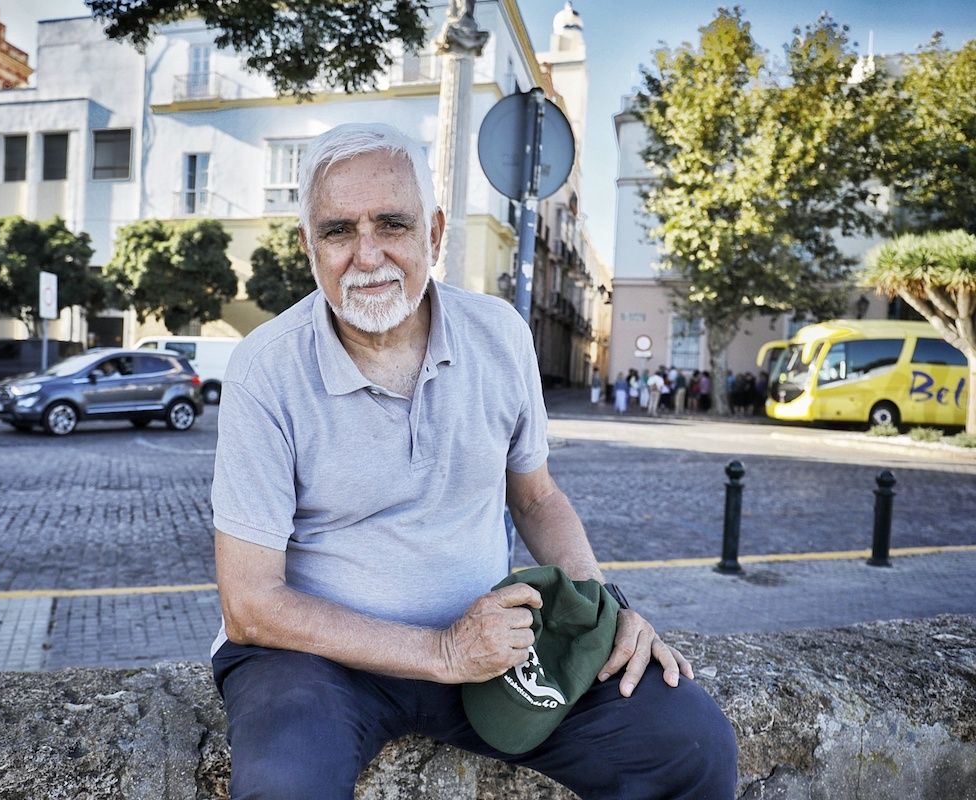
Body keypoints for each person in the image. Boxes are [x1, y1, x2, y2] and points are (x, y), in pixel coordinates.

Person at [209, 123, 736, 799]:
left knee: (688, 743)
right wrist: (442, 652)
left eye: (391, 224)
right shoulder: (265, 368)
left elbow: (537, 498)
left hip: (494, 649)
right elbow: (251, 602)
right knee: (286, 785)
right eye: (338, 231)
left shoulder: (500, 335)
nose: (365, 255)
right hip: (315, 662)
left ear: (434, 231)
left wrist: (600, 607)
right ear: (308, 245)